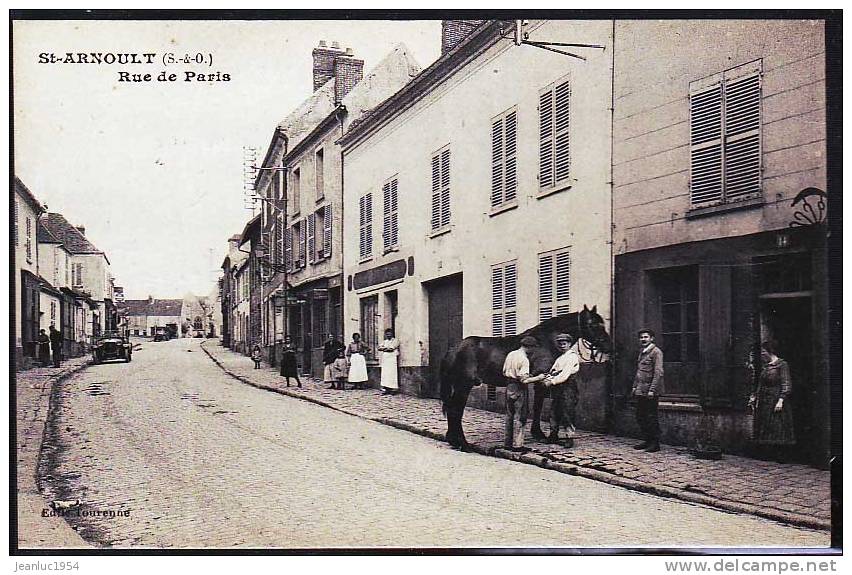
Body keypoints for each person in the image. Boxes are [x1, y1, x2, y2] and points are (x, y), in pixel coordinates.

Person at [502, 336, 548, 453]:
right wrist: (539, 377)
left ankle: (507, 444)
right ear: (529, 347)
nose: (533, 351)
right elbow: (524, 380)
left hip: (509, 387)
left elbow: (504, 371)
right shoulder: (524, 359)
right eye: (533, 348)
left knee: (509, 416)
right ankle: (518, 445)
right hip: (519, 388)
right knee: (520, 416)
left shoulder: (511, 354)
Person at [748, 340, 795, 452]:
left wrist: (781, 400)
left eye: (764, 352)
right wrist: (755, 397)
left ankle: (780, 452)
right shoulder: (766, 367)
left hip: (776, 398)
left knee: (777, 425)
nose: (762, 355)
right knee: (766, 425)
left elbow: (786, 383)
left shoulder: (782, 365)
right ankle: (768, 451)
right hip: (765, 400)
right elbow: (760, 384)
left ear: (770, 352)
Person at [544, 333, 581, 447]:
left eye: (564, 343)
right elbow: (553, 371)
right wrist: (548, 378)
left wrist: (551, 381)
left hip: (568, 387)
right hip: (558, 388)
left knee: (567, 412)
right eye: (560, 344)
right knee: (554, 411)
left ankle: (569, 437)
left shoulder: (572, 357)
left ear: (569, 344)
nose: (562, 345)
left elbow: (565, 374)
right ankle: (553, 435)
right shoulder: (560, 358)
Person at [631, 328, 664, 452]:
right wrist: (634, 386)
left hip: (650, 391)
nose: (643, 339)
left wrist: (652, 389)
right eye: (641, 337)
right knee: (640, 416)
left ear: (652, 338)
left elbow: (658, 372)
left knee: (651, 417)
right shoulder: (642, 352)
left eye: (646, 337)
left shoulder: (656, 352)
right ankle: (647, 440)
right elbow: (639, 372)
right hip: (641, 390)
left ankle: (655, 444)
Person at [378, 328, 400, 396]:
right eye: (387, 334)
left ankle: (393, 389)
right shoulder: (385, 341)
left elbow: (391, 348)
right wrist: (385, 348)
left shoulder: (395, 340)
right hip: (385, 359)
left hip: (392, 358)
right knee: (385, 373)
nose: (388, 335)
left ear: (392, 334)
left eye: (389, 333)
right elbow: (379, 348)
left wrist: (384, 348)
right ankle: (386, 388)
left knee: (392, 373)